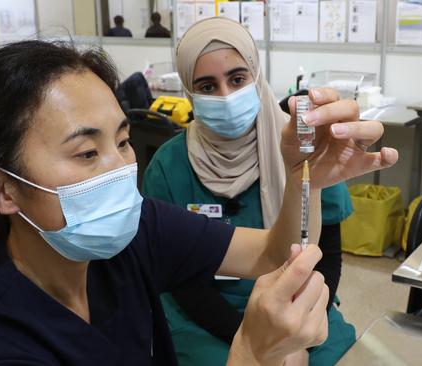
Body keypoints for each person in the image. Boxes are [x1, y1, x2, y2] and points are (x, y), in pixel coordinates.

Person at [0, 40, 398, 365]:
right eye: (87, 153)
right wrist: (253, 354)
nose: (119, 171)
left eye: (123, 141)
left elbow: (271, 253)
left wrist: (305, 180)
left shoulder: (136, 231)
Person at [144, 18, 355, 366]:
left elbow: (327, 254)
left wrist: (296, 329)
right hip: (208, 320)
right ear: (189, 93)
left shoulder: (305, 149)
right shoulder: (169, 167)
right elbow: (181, 281)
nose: (226, 96)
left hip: (299, 302)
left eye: (237, 79)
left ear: (256, 76)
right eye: (207, 86)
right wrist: (261, 340)